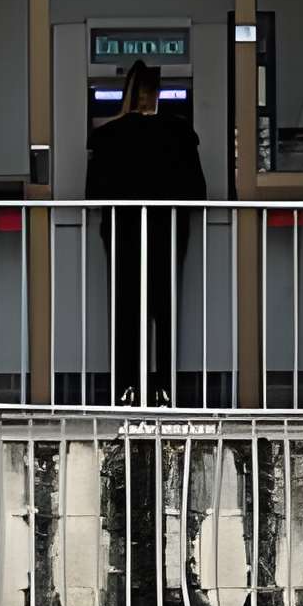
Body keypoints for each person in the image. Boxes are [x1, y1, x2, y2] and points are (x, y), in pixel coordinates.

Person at [83, 60, 206, 405]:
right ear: (158, 94)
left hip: (122, 231)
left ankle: (126, 387)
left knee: (125, 309)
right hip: (167, 230)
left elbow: (94, 195)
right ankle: (165, 389)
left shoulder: (107, 136)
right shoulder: (180, 132)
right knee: (165, 310)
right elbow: (197, 192)